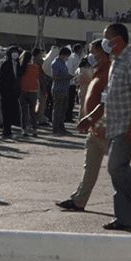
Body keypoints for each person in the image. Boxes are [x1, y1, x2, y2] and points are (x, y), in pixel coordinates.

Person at [78, 23, 131, 231]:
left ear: (119, 39)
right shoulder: (116, 63)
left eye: (108, 37)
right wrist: (93, 119)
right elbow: (110, 99)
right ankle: (124, 219)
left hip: (127, 124)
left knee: (115, 166)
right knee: (118, 171)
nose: (105, 41)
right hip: (114, 125)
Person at [56, 40, 111, 211]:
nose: (91, 56)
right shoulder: (100, 69)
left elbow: (107, 100)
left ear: (102, 52)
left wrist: (92, 118)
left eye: (94, 52)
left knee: (119, 168)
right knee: (90, 165)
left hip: (106, 123)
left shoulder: (111, 70)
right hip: (95, 125)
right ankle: (79, 200)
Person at [0, 46, 21, 138]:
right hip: (6, 92)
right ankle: (6, 131)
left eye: (16, 52)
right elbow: (0, 79)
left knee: (13, 111)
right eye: (13, 52)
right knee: (6, 111)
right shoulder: (5, 64)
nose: (15, 54)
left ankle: (10, 129)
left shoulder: (18, 64)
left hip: (14, 92)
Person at [18, 49, 41, 137]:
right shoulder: (35, 67)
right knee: (33, 112)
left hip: (23, 90)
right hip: (33, 91)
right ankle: (34, 129)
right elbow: (37, 79)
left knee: (24, 112)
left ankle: (24, 129)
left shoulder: (21, 67)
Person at [51, 47, 72, 134]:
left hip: (65, 88)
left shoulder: (63, 63)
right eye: (67, 56)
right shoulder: (56, 63)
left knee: (63, 110)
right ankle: (56, 128)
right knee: (58, 109)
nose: (67, 58)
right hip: (58, 89)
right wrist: (66, 77)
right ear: (63, 54)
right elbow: (55, 77)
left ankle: (61, 127)